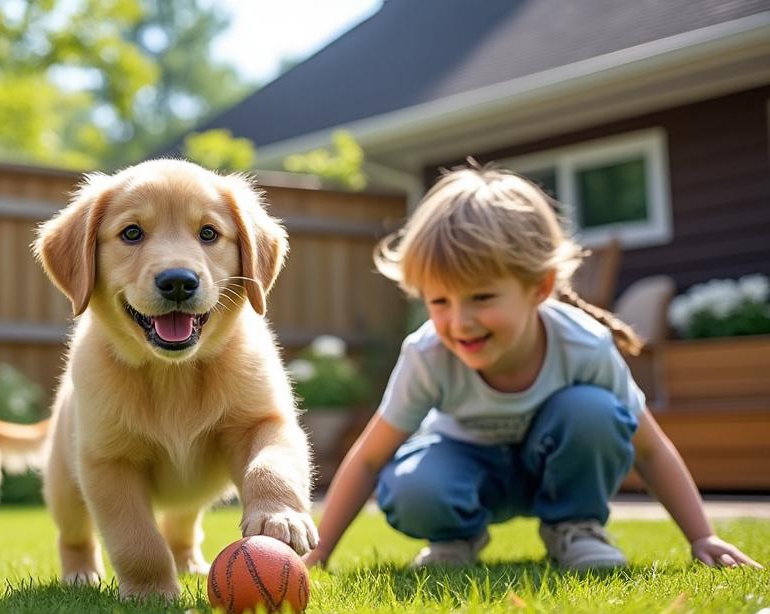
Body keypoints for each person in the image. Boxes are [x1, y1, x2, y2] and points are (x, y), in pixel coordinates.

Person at [303, 166, 761, 571]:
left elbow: (652, 449)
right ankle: (455, 538)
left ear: (539, 287)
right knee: (415, 485)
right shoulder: (427, 353)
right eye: (439, 301)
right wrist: (320, 551)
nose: (459, 321)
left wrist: (702, 536)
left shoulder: (583, 344)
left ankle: (574, 527)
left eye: (482, 297)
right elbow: (368, 457)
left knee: (593, 412)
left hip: (558, 468)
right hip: (467, 473)